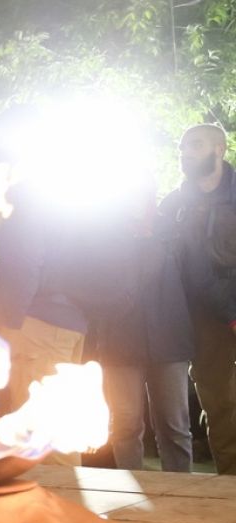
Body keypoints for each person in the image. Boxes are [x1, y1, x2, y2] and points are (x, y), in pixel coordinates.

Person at [97, 177, 233, 472]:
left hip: (171, 340)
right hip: (118, 344)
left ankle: (182, 492)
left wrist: (230, 313)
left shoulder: (174, 231)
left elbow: (200, 280)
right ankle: (131, 495)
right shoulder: (104, 234)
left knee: (175, 426)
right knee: (125, 424)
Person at [160, 123, 236, 475]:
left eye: (196, 144)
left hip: (229, 308)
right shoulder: (174, 207)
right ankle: (230, 489)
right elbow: (181, 272)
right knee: (222, 406)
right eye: (182, 147)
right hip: (205, 322)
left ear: (219, 149)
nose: (185, 152)